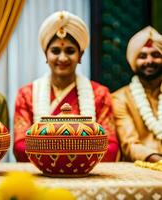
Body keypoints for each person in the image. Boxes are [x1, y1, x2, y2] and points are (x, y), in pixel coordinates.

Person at [13, 11, 119, 162]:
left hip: (87, 178)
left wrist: (58, 153)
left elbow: (111, 146)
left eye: (70, 51)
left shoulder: (100, 94)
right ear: (45, 55)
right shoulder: (27, 94)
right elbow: (20, 146)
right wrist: (75, 151)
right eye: (55, 51)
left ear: (80, 56)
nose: (62, 58)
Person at [112, 26, 162, 162]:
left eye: (156, 55)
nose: (149, 61)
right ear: (133, 61)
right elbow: (129, 144)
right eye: (142, 56)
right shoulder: (120, 98)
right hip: (139, 171)